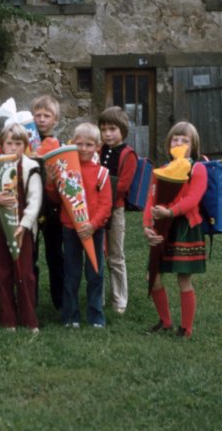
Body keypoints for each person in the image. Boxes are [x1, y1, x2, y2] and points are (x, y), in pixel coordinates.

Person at [143, 121, 207, 338]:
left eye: (185, 140)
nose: (179, 143)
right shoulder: (161, 170)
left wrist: (170, 212)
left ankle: (186, 328)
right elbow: (150, 199)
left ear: (193, 145)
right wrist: (147, 226)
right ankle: (166, 321)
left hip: (184, 227)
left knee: (183, 279)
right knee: (152, 276)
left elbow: (193, 199)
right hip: (161, 226)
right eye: (175, 139)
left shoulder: (197, 169)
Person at [0, 123, 42, 332]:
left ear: (25, 145)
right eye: (9, 143)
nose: (14, 148)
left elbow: (35, 200)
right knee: (2, 271)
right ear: (2, 145)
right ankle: (8, 319)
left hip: (22, 228)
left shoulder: (31, 167)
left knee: (25, 272)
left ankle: (29, 318)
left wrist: (24, 225)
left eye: (18, 144)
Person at [46, 123, 112, 327]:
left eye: (89, 145)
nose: (83, 148)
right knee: (71, 273)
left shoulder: (102, 173)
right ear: (72, 143)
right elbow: (56, 199)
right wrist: (51, 182)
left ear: (98, 147)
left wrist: (93, 224)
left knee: (95, 273)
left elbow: (106, 205)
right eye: (79, 144)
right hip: (70, 227)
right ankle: (70, 315)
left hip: (94, 230)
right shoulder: (66, 170)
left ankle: (96, 315)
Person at [98, 106, 137, 315]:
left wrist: (100, 186)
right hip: (97, 209)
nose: (107, 134)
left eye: (112, 129)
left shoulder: (128, 154)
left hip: (115, 209)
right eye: (103, 129)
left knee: (115, 254)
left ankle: (119, 299)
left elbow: (123, 185)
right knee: (98, 252)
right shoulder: (99, 150)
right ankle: (99, 297)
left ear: (123, 130)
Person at [31, 94, 63, 309]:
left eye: (47, 115)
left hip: (52, 207)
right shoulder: (26, 142)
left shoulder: (59, 145)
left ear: (55, 120)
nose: (41, 119)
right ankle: (30, 299)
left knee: (55, 254)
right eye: (38, 115)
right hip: (30, 206)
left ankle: (60, 300)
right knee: (30, 254)